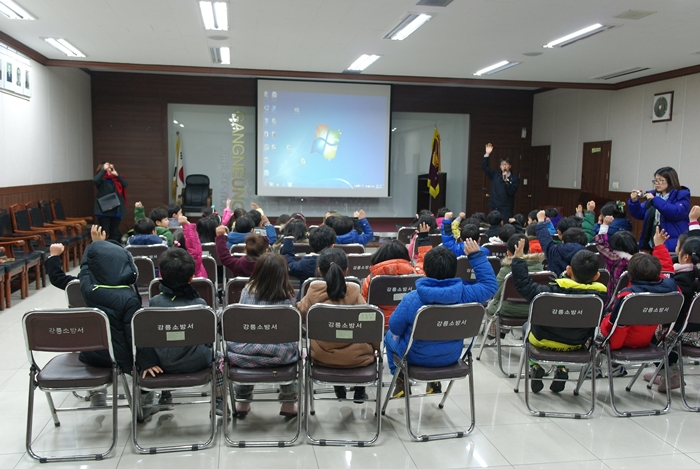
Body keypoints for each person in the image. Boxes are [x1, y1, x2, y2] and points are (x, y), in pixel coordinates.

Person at [385, 241, 498, 396]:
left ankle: (400, 380)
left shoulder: (412, 299)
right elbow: (490, 286)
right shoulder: (466, 295)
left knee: (388, 336)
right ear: (454, 269)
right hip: (452, 356)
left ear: (425, 270)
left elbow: (395, 328)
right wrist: (476, 256)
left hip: (415, 357)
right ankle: (434, 382)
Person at [78, 235, 159, 413]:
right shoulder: (128, 298)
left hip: (93, 354)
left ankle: (97, 393)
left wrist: (93, 246)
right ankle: (145, 403)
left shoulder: (88, 288)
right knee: (145, 363)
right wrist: (148, 362)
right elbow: (135, 335)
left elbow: (85, 268)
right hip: (121, 358)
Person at [512, 244, 607, 393]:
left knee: (526, 327)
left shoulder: (549, 292)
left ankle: (534, 366)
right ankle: (561, 368)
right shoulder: (599, 298)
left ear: (569, 270)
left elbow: (524, 286)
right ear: (596, 277)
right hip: (576, 344)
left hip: (541, 341)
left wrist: (518, 260)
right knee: (565, 333)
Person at [143, 248, 222, 412]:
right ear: (191, 278)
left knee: (165, 342)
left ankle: (165, 395)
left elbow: (150, 337)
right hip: (197, 361)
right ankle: (219, 401)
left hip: (161, 364)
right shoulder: (200, 305)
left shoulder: (154, 303)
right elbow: (209, 339)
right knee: (220, 359)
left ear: (161, 275)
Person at [226, 253, 300, 418]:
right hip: (280, 356)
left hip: (245, 353)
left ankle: (243, 402)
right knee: (292, 350)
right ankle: (288, 403)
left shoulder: (247, 291)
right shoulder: (288, 297)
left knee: (248, 351)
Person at [296, 248, 373, 403]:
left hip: (322, 357)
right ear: (346, 271)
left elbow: (299, 315)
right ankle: (360, 390)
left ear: (319, 270)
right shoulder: (355, 293)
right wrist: (376, 348)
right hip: (358, 358)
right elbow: (369, 326)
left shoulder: (312, 293)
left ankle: (338, 387)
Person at [600, 253, 678, 351]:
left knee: (597, 325)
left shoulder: (628, 297)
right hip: (647, 339)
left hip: (621, 342)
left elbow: (615, 327)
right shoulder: (672, 290)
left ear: (630, 275)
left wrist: (612, 345)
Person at [485, 234, 545, 339]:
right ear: (529, 250)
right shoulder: (539, 268)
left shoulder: (506, 270)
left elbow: (495, 292)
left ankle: (495, 334)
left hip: (508, 310)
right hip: (534, 309)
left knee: (492, 305)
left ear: (508, 253)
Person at [628, 166, 691, 252]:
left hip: (672, 240)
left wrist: (655, 200)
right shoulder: (654, 196)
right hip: (652, 239)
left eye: (661, 180)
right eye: (656, 180)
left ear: (671, 180)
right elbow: (640, 213)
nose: (657, 183)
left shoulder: (681, 195)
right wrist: (634, 201)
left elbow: (676, 213)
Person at [361, 240, 417, 327]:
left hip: (378, 324)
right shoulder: (414, 275)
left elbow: (364, 304)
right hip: (407, 324)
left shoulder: (372, 279)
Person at [281, 224, 336, 300]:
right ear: (332, 246)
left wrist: (288, 241)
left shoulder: (304, 264)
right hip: (332, 302)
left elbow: (288, 265)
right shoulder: (338, 262)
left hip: (306, 304)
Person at [535, 210, 587, 277]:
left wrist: (541, 221)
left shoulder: (554, 252)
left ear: (559, 233)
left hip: (557, 283)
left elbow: (545, 240)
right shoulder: (588, 255)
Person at [482, 143, 520, 219]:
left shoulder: (515, 178)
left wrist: (506, 181)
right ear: (500, 166)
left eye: (506, 164)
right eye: (502, 164)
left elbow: (512, 191)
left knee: (505, 224)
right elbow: (485, 167)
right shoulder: (495, 175)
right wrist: (487, 154)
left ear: (510, 166)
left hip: (506, 208)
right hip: (495, 206)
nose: (504, 166)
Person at [93, 162, 128, 241]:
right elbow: (95, 180)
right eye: (106, 168)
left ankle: (113, 246)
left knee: (114, 232)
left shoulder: (115, 179)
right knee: (105, 231)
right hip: (104, 210)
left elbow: (125, 184)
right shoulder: (101, 180)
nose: (108, 169)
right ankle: (105, 247)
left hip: (116, 209)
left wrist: (117, 175)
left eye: (109, 168)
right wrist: (104, 170)